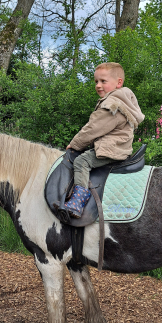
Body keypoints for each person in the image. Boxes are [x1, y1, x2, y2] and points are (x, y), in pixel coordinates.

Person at [64, 62, 145, 218]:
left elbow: (92, 129)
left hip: (112, 150)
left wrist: (74, 145)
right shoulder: (123, 101)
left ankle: (77, 202)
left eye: (103, 81)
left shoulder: (112, 105)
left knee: (82, 161)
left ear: (118, 82)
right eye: (96, 82)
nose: (98, 85)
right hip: (119, 148)